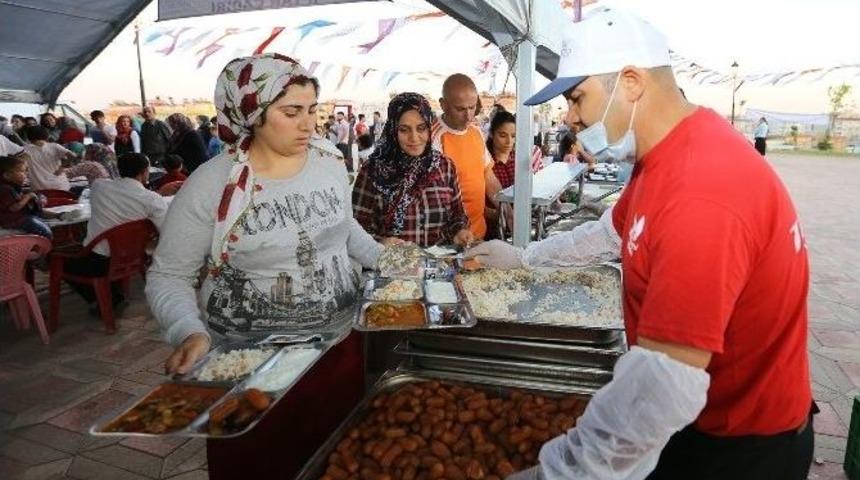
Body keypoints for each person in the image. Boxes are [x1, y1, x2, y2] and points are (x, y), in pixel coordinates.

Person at [467, 9, 813, 480]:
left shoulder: (701, 191)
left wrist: (562, 472)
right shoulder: (668, 153)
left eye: (576, 98)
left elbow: (664, 382)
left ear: (630, 81)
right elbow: (609, 233)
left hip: (741, 443)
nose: (571, 118)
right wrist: (525, 258)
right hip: (705, 419)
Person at [145, 53, 383, 479]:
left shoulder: (329, 160)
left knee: (336, 460)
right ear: (251, 116)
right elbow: (169, 275)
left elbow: (344, 232)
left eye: (313, 110)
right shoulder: (212, 185)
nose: (309, 124)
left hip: (337, 354)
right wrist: (188, 330)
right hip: (248, 368)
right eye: (291, 112)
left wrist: (394, 261)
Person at [353, 92, 473, 247]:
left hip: (440, 267)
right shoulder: (372, 170)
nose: (414, 137)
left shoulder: (444, 166)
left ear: (429, 128)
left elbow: (457, 214)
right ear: (393, 130)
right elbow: (355, 230)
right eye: (404, 130)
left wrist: (459, 232)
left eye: (421, 128)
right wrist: (381, 243)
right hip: (391, 268)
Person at [63, 152, 168, 319]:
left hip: (98, 260)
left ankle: (105, 298)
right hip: (134, 257)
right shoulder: (151, 199)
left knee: (57, 260)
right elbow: (166, 229)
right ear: (144, 172)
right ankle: (112, 296)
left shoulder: (99, 187)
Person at [431, 73, 503, 240]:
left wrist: (504, 207)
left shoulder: (476, 132)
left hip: (478, 232)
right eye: (461, 109)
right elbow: (434, 197)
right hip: (449, 238)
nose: (469, 116)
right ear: (443, 105)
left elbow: (487, 175)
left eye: (472, 107)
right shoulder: (434, 137)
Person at [486, 111, 544, 190]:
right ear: (491, 134)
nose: (509, 141)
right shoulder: (486, 162)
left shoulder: (521, 158)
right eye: (503, 136)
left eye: (513, 136)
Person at [0, 155, 55, 238]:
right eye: (22, 171)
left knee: (42, 220)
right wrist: (28, 196)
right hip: (14, 220)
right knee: (44, 230)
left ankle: (59, 216)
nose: (26, 174)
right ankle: (45, 244)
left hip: (20, 218)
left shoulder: (12, 187)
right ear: (7, 175)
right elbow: (13, 208)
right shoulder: (5, 189)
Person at [22, 126, 75, 191]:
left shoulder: (24, 150)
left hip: (39, 188)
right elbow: (73, 156)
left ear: (29, 137)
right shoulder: (54, 146)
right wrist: (61, 168)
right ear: (47, 135)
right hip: (60, 186)